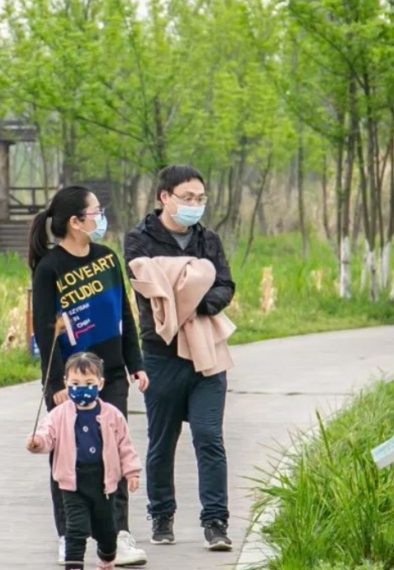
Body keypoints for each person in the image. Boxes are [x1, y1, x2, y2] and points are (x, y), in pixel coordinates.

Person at [30, 185, 150, 566]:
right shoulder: (50, 268)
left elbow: (124, 316)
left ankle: (118, 533)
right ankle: (69, 534)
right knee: (67, 454)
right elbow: (45, 331)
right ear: (75, 222)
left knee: (112, 449)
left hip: (110, 374)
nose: (102, 217)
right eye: (96, 211)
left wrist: (136, 364)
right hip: (71, 382)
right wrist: (54, 389)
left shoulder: (107, 258)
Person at [124, 165, 235, 551]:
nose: (194, 205)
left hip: (207, 353)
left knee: (209, 437)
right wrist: (193, 280)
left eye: (200, 199)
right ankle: (162, 514)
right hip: (161, 354)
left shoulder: (209, 239)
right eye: (187, 198)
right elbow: (149, 290)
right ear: (164, 197)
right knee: (162, 440)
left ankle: (216, 522)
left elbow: (224, 285)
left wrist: (192, 296)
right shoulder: (139, 238)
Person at [27, 352, 142, 570]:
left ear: (100, 384)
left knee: (108, 531)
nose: (82, 388)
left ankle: (107, 557)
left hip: (103, 484)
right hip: (73, 483)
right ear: (66, 383)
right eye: (76, 383)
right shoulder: (59, 414)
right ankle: (74, 565)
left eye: (89, 383)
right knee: (75, 530)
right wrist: (36, 442)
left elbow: (125, 446)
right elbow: (46, 436)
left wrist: (132, 473)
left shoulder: (112, 415)